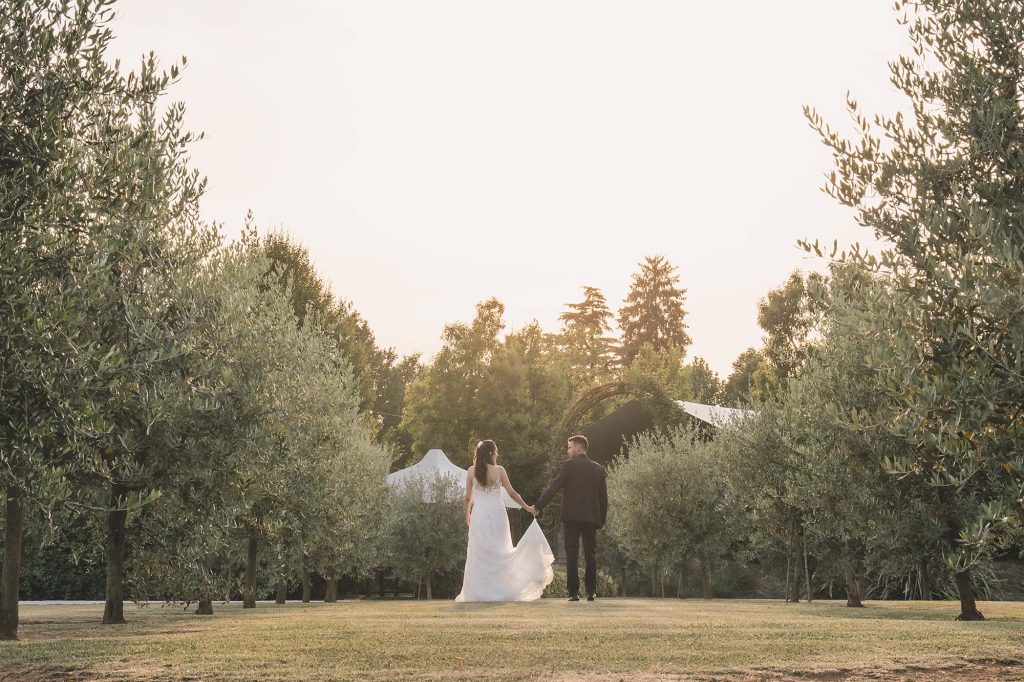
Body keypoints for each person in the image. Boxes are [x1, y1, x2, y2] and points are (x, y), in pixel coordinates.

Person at [455, 439, 554, 602]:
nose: (498, 454)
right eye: (496, 451)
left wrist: (467, 514)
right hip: (497, 515)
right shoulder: (499, 470)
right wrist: (527, 507)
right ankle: (501, 589)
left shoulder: (471, 471)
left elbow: (467, 497)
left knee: (479, 553)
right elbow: (512, 493)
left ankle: (478, 592)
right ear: (490, 453)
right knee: (500, 550)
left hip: (479, 515)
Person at [535, 434, 607, 602]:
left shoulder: (568, 466)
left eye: (569, 447)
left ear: (578, 447)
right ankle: (591, 592)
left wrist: (538, 506)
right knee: (591, 554)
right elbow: (603, 498)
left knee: (572, 554)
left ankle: (573, 592)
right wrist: (602, 521)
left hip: (572, 516)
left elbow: (554, 487)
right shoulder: (598, 469)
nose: (568, 451)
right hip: (591, 517)